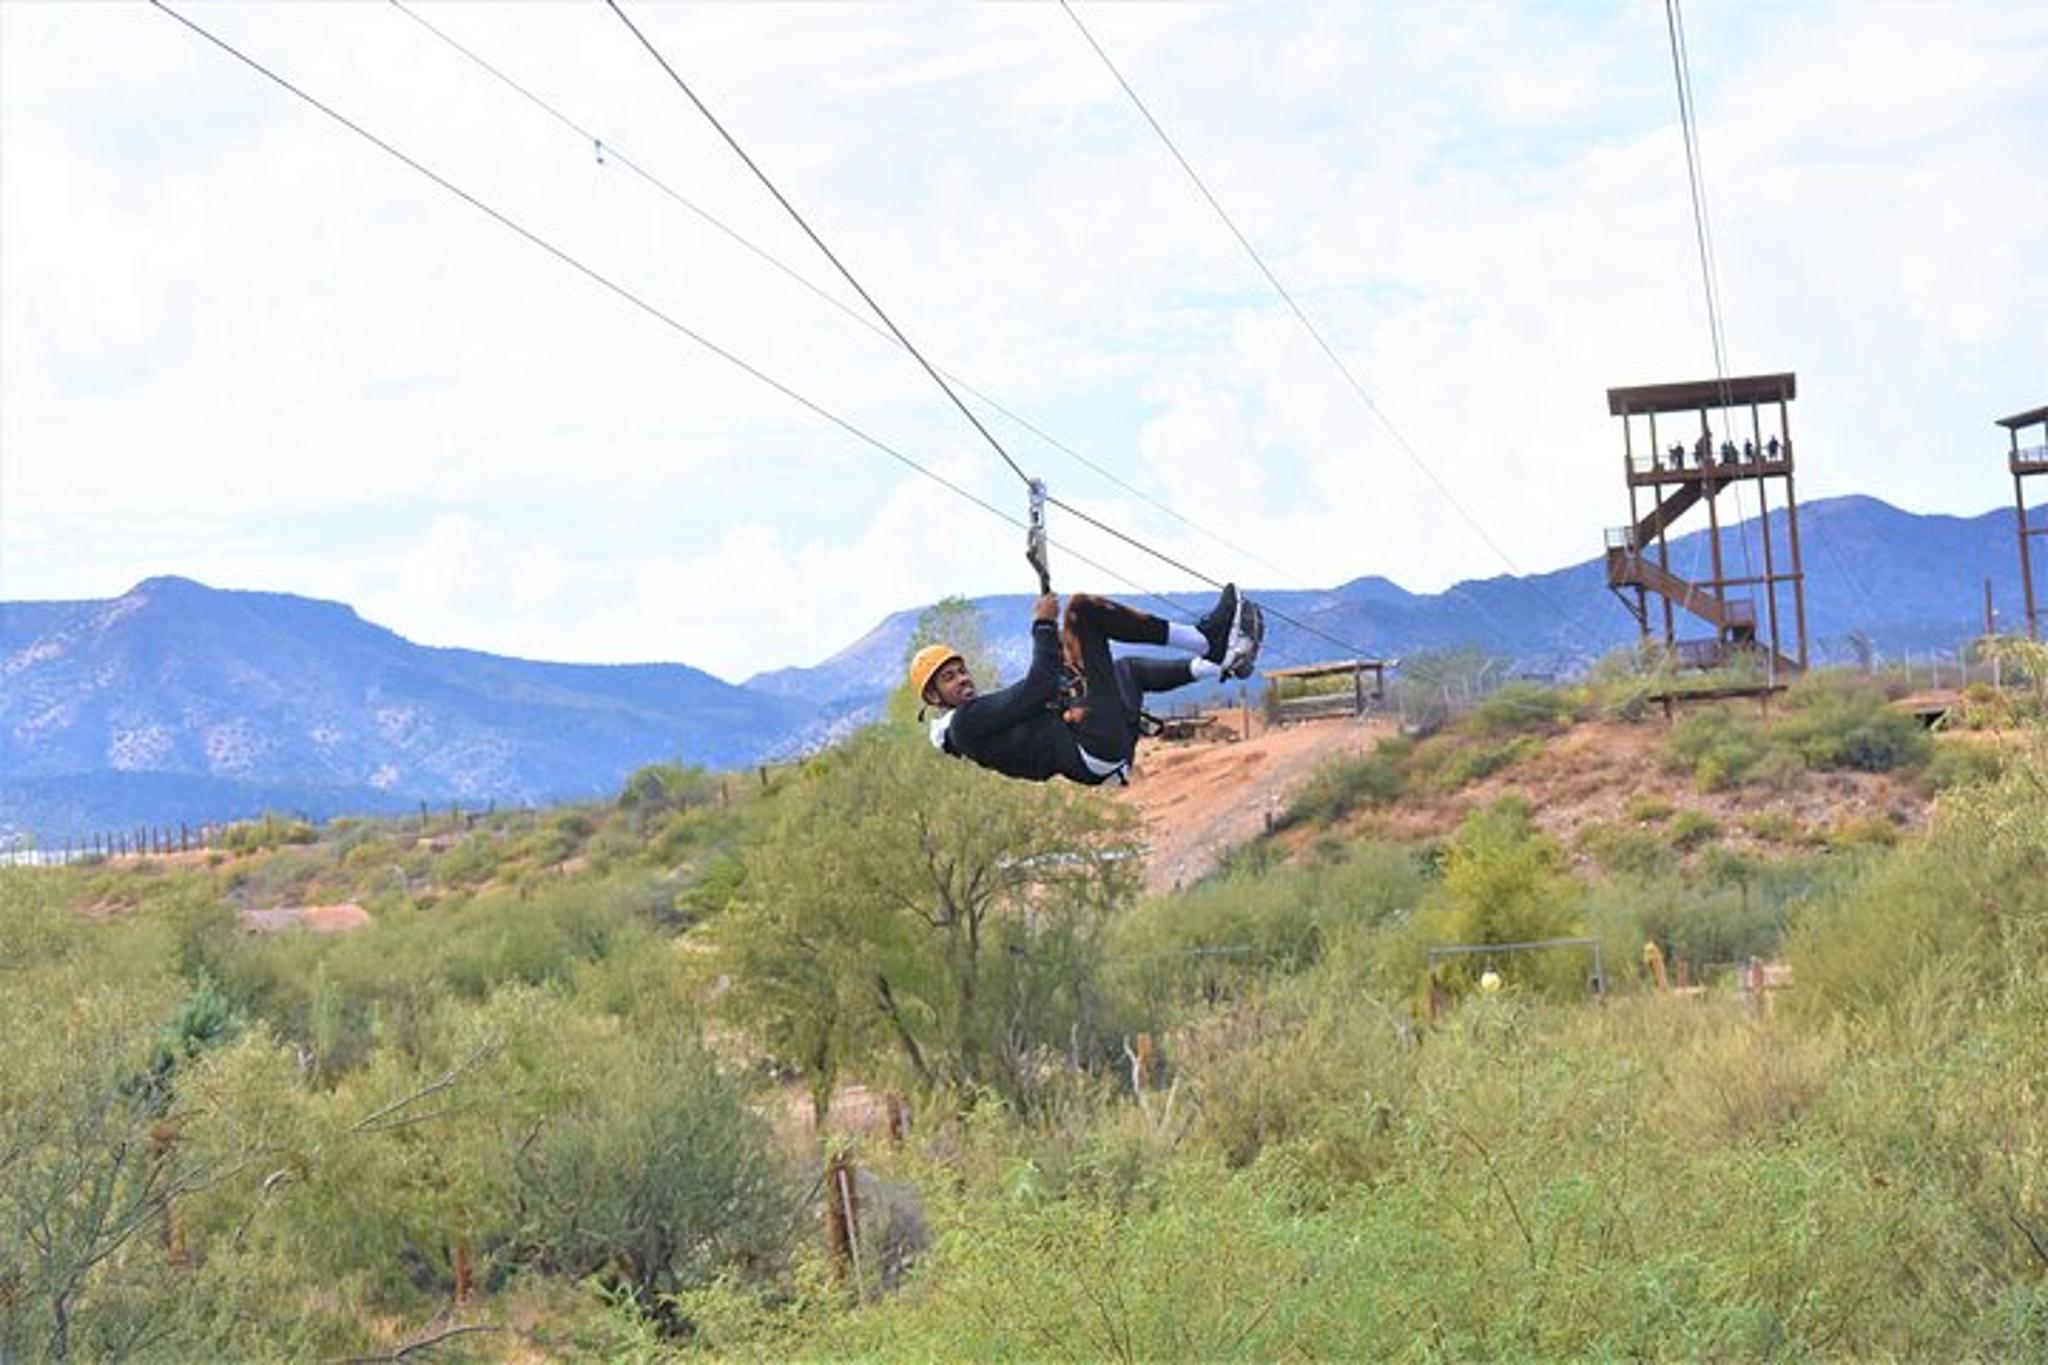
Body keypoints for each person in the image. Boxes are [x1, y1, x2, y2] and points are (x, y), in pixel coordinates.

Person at [908, 585, 1261, 786]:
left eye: (961, 670)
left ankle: (1216, 664)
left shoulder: (979, 723)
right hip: (1093, 747)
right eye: (949, 678)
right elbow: (1039, 686)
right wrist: (1044, 625)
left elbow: (1039, 698)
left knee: (1128, 671)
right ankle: (1207, 641)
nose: (963, 679)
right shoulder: (967, 723)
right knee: (1081, 611)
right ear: (934, 696)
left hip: (1101, 755)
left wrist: (1065, 668)